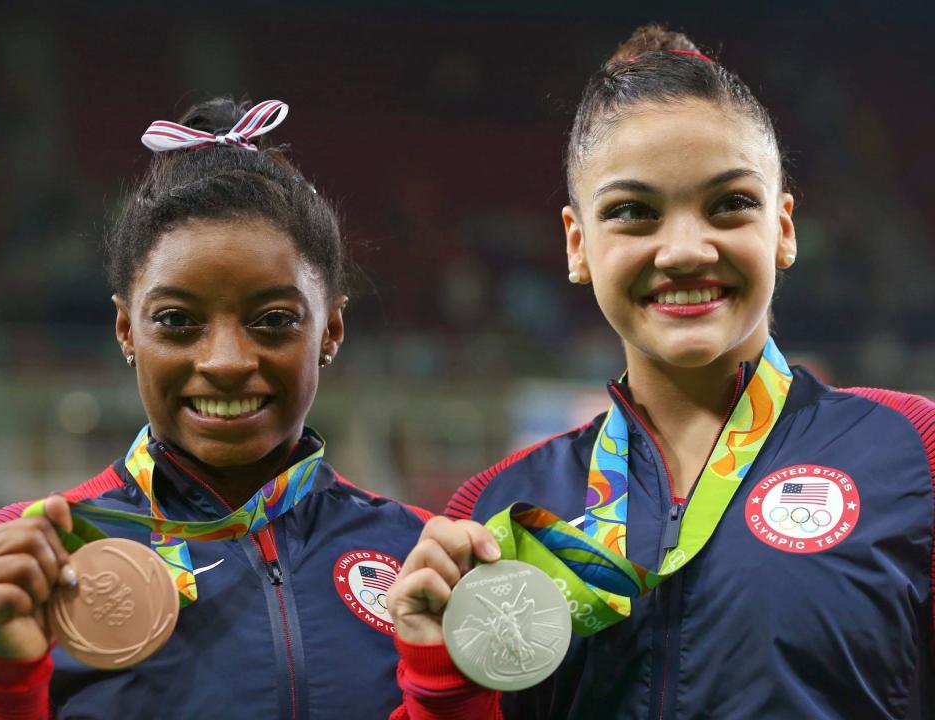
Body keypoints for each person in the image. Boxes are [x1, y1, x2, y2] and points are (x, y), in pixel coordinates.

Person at [386, 25, 934, 720]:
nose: (683, 250)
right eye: (633, 214)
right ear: (578, 245)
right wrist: (443, 685)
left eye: (730, 203)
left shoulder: (913, 453)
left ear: (783, 228)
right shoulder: (495, 509)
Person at [0, 97, 431, 719]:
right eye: (176, 321)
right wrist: (0, 678)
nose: (224, 361)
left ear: (331, 330)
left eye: (273, 321)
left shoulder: (421, 557)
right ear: (126, 330)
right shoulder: (14, 564)